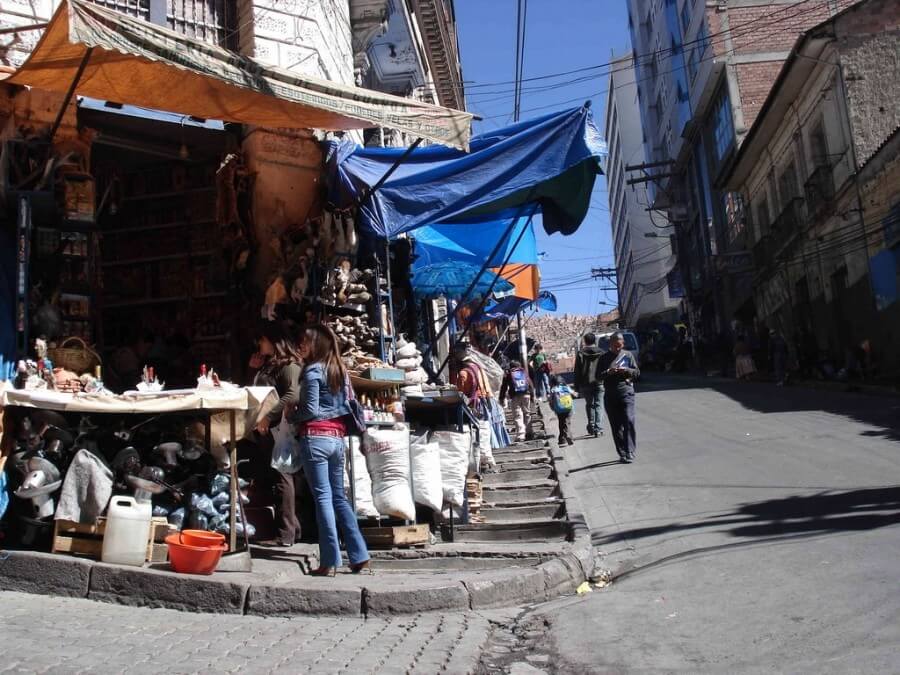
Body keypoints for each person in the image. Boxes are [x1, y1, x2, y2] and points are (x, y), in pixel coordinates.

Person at [294, 324, 369, 576]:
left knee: (324, 499)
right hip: (337, 440)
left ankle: (329, 561)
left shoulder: (313, 371)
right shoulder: (340, 370)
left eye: (304, 342)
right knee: (339, 497)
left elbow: (311, 410)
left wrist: (292, 414)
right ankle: (359, 555)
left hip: (315, 438)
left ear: (316, 345)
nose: (300, 346)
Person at [244, 321, 304, 547]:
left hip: (281, 430)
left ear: (273, 341)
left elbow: (293, 394)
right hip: (267, 430)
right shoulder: (269, 365)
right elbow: (256, 393)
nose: (260, 344)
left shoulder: (289, 365)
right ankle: (293, 528)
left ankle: (286, 533)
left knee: (283, 478)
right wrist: (252, 369)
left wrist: (269, 416)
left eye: (263, 339)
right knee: (276, 476)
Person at [453, 342, 511, 450]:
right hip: (486, 399)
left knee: (480, 428)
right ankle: (488, 450)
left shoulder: (463, 373)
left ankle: (484, 452)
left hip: (476, 404)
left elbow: (461, 392)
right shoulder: (478, 368)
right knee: (486, 427)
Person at [596, 332, 640, 463]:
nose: (617, 348)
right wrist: (608, 372)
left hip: (626, 392)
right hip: (610, 395)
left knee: (629, 420)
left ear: (623, 344)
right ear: (610, 344)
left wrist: (626, 370)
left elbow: (637, 372)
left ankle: (630, 450)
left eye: (620, 346)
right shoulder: (603, 358)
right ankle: (622, 452)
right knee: (616, 426)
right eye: (615, 346)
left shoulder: (628, 355)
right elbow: (598, 376)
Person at [573, 333, 604, 437]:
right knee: (599, 405)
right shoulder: (601, 353)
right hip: (599, 382)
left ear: (585, 341)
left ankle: (591, 426)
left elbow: (577, 371)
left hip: (585, 383)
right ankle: (598, 429)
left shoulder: (581, 353)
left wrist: (576, 386)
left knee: (589, 405)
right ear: (594, 341)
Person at [499, 360, 535, 442]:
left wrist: (501, 397)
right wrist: (532, 396)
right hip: (526, 394)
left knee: (518, 416)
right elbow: (530, 384)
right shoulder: (524, 372)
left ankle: (521, 435)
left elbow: (503, 387)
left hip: (515, 396)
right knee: (527, 414)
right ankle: (529, 432)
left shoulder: (508, 375)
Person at [548, 374, 575, 446]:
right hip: (569, 408)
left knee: (561, 423)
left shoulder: (553, 389)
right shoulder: (565, 387)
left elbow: (550, 400)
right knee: (567, 422)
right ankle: (567, 437)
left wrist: (553, 408)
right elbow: (573, 393)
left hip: (559, 409)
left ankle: (562, 439)